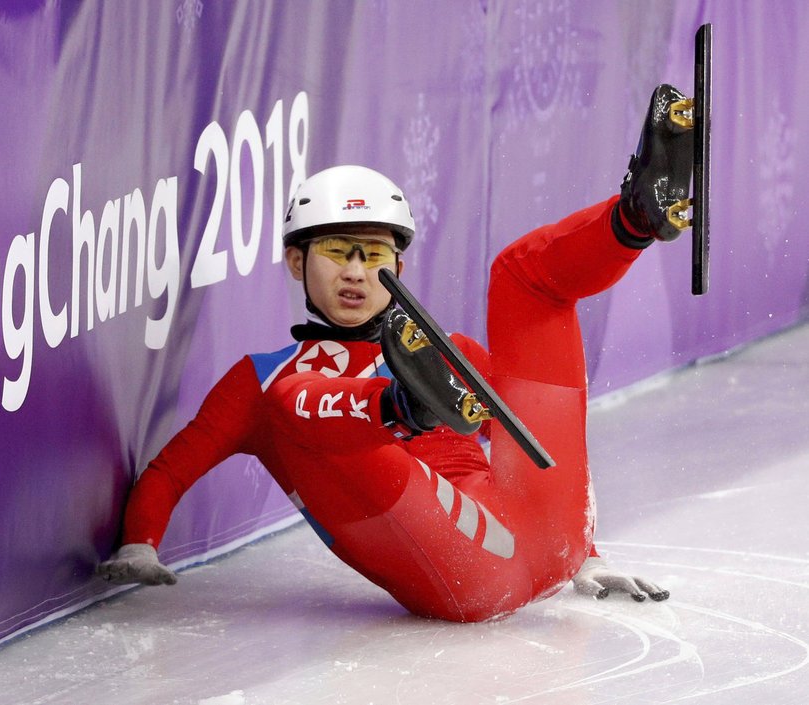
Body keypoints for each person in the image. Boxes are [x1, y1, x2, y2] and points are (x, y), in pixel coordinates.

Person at [98, 84, 692, 621]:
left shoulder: (446, 350)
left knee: (518, 278)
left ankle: (635, 216)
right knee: (289, 401)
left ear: (399, 267)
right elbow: (170, 471)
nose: (357, 272)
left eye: (374, 255)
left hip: (537, 536)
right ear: (297, 262)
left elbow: (545, 443)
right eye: (338, 249)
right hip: (465, 571)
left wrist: (584, 555)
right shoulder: (263, 382)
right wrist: (139, 543)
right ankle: (399, 407)